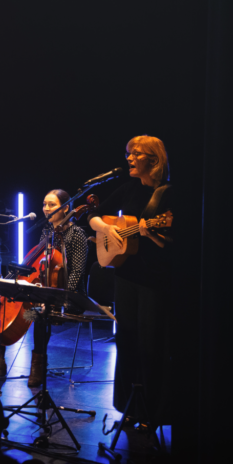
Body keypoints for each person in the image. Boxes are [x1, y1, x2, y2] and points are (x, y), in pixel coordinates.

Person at [88, 135, 173, 428]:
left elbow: (173, 242)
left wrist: (152, 233)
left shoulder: (169, 194)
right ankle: (129, 409)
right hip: (125, 276)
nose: (129, 158)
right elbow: (94, 216)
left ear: (154, 159)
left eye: (135, 153)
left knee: (151, 346)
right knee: (126, 342)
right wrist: (107, 229)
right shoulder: (128, 188)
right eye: (128, 153)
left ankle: (152, 413)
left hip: (154, 280)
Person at [0, 189, 89, 386]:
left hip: (69, 297)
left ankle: (38, 366)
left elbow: (77, 272)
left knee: (39, 313)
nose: (46, 208)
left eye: (52, 204)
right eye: (44, 204)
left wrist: (60, 297)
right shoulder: (47, 231)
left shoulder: (77, 235)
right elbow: (39, 265)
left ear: (66, 208)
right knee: (8, 305)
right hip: (43, 291)